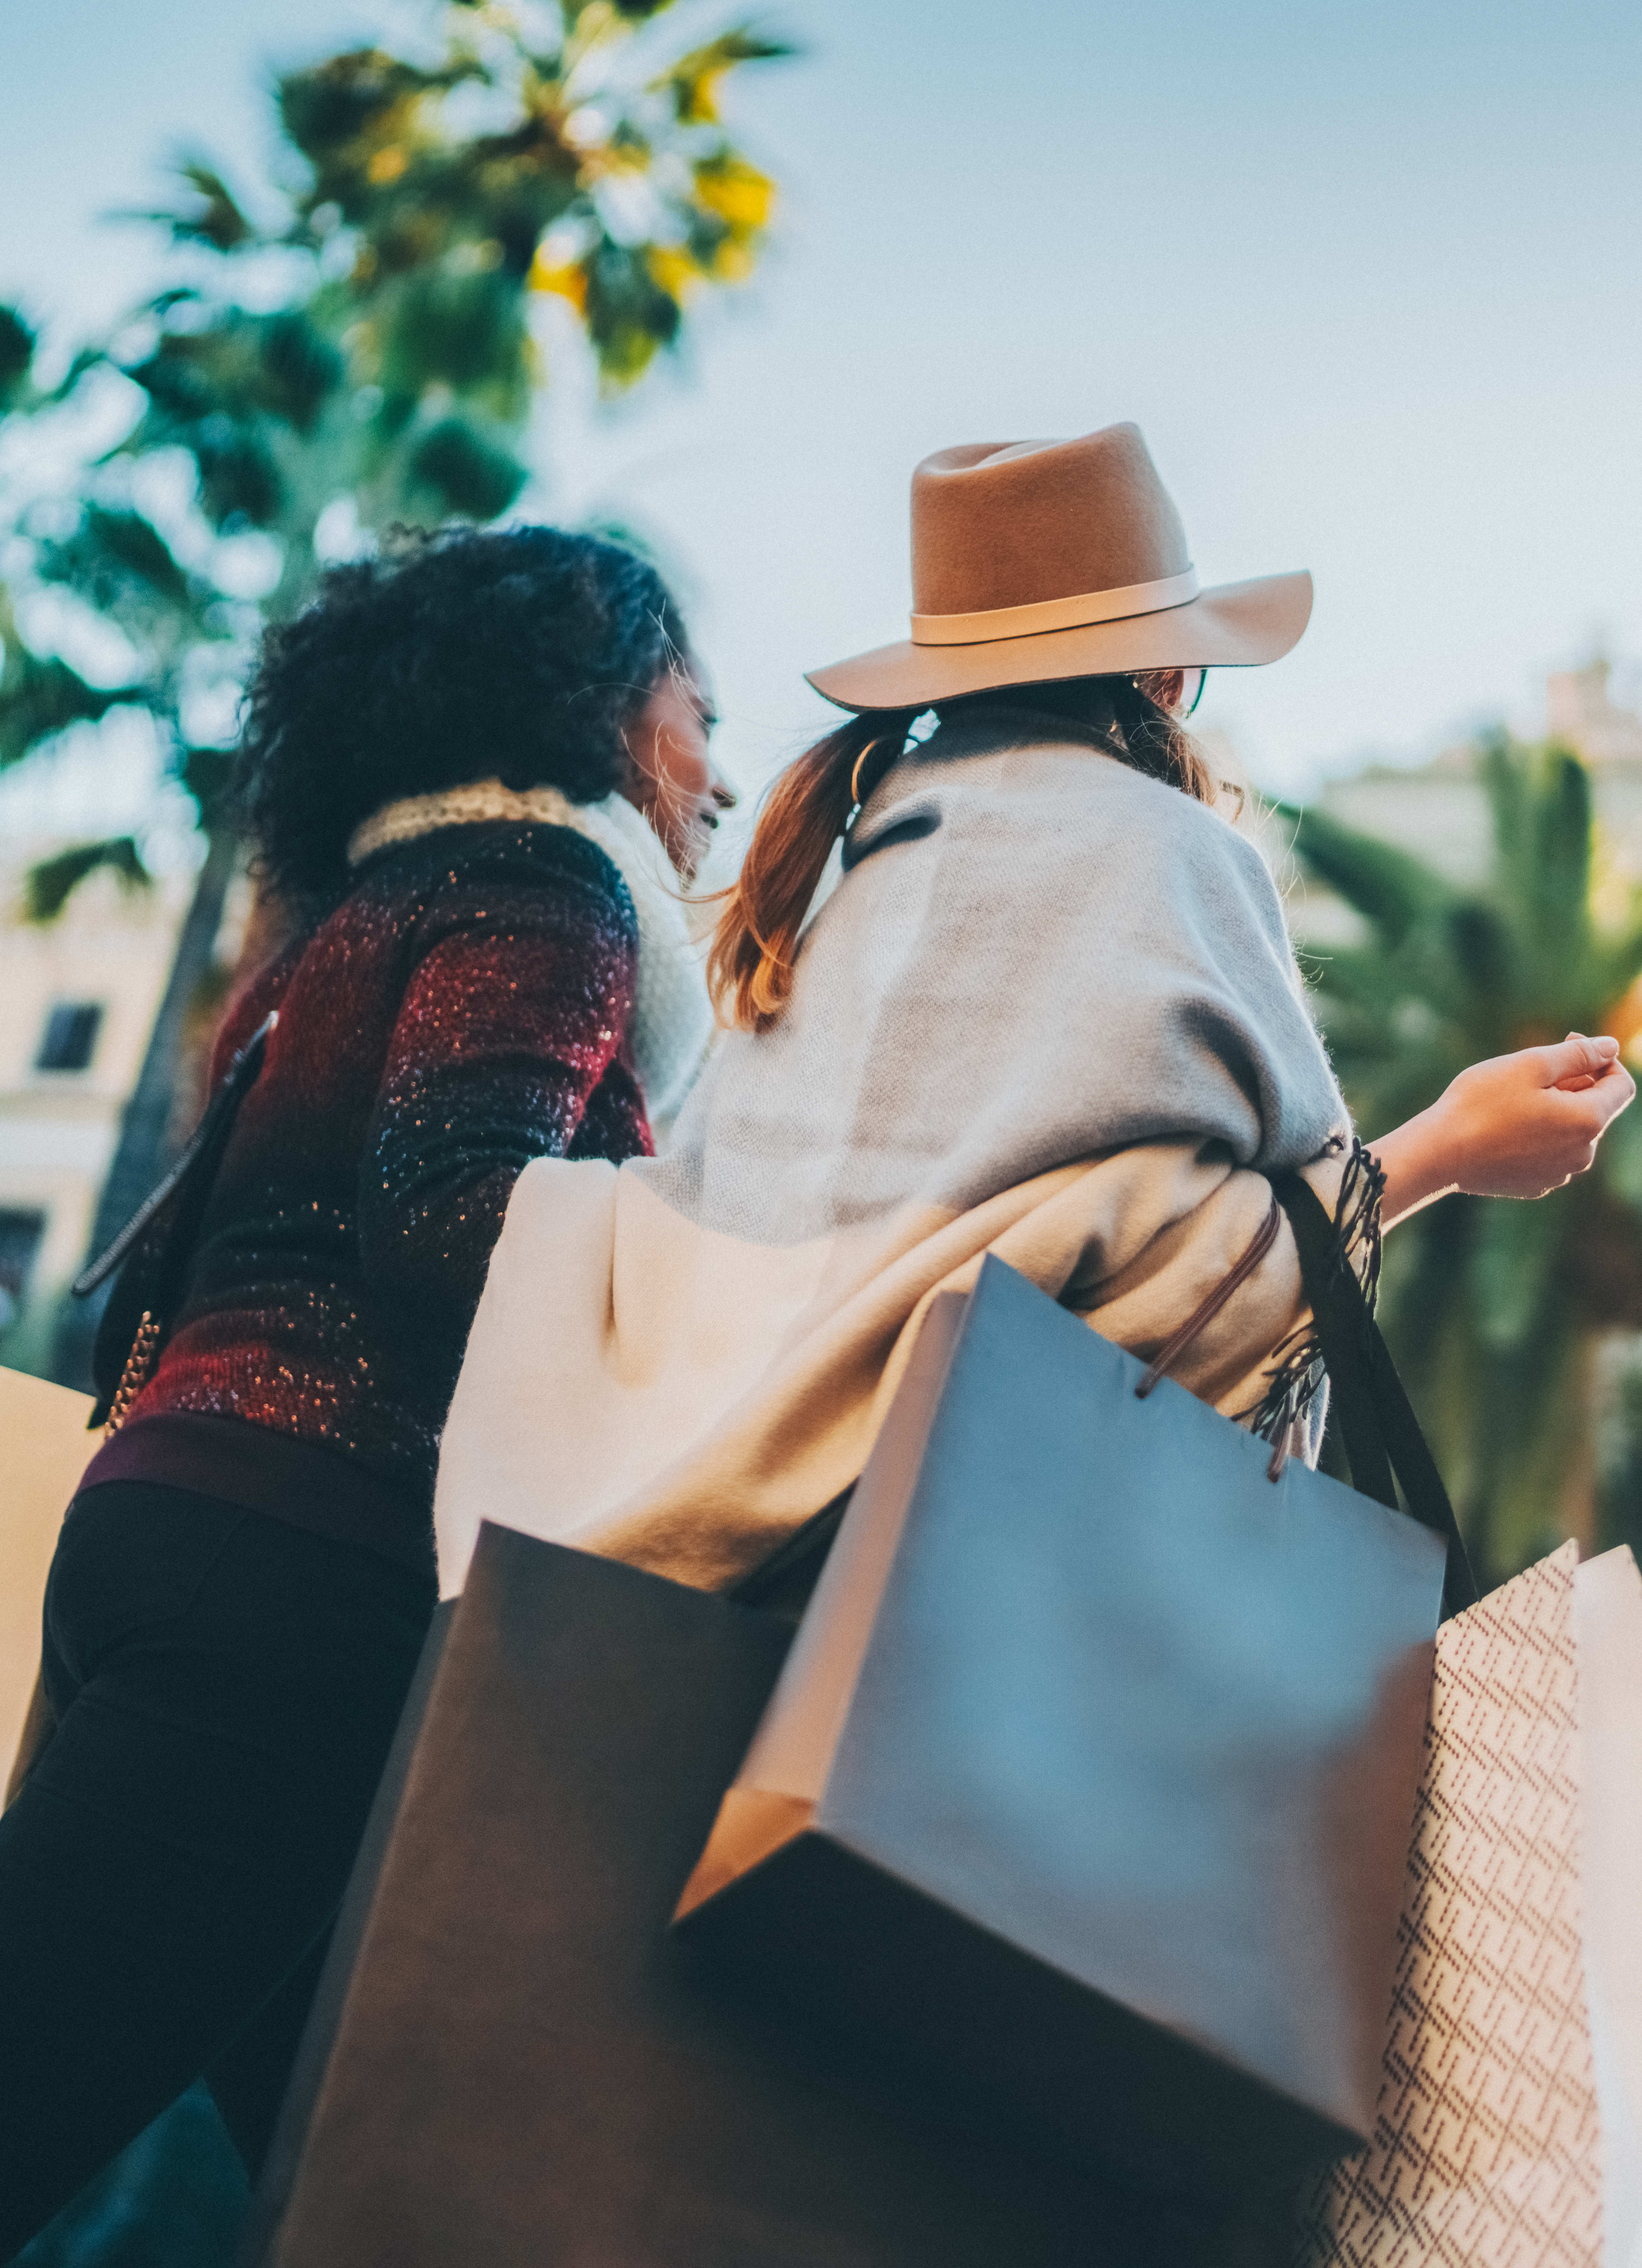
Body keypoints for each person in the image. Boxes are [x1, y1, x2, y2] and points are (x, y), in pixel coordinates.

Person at [432, 424, 1633, 1604]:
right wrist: (1449, 1150)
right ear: (1164, 674)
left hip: (703, 1611)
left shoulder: (844, 880)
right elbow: (1211, 1287)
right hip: (970, 1618)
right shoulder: (1169, 852)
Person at [0, 523, 734, 2255]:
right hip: (303, 1589)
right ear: (615, 709)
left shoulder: (361, 906)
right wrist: (723, 1276)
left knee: (327, 2181)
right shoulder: (553, 892)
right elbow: (451, 1227)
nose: (723, 769)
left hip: (180, 1531)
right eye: (704, 710)